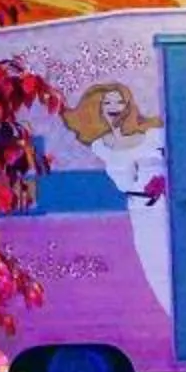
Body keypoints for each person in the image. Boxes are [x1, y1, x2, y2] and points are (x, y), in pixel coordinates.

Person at [64, 82, 171, 310]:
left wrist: (163, 182)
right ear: (98, 109)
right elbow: (124, 182)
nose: (114, 106)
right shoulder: (100, 146)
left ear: (129, 104)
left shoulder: (154, 134)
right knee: (156, 268)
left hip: (170, 208)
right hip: (142, 212)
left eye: (119, 101)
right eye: (107, 102)